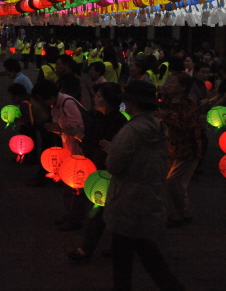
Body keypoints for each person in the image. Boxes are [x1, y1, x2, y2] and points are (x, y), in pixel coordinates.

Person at [104, 80, 185, 291]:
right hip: (150, 194)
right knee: (143, 248)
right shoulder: (159, 127)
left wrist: (112, 151)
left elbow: (114, 166)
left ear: (132, 103)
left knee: (127, 254)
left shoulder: (130, 131)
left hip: (126, 198)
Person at [67, 82, 128, 262]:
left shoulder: (118, 121)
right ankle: (119, 247)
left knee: (101, 210)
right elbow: (95, 140)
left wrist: (83, 137)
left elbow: (102, 143)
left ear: (109, 100)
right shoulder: (97, 116)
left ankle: (86, 250)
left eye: (99, 96)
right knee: (109, 212)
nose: (95, 98)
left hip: (111, 171)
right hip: (98, 168)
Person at [34, 80, 86, 231]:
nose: (45, 103)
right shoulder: (56, 105)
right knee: (67, 188)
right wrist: (56, 129)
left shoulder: (67, 103)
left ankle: (75, 219)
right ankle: (69, 215)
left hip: (78, 153)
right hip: (68, 150)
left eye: (45, 99)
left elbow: (77, 129)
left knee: (76, 188)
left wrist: (60, 129)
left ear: (51, 95)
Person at [158, 72, 203, 228]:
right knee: (173, 184)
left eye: (172, 82)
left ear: (183, 87)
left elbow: (187, 126)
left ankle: (181, 215)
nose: (168, 85)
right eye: (168, 82)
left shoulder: (189, 103)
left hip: (187, 150)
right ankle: (180, 214)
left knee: (173, 182)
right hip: (171, 148)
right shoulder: (167, 101)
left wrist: (166, 118)